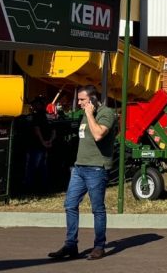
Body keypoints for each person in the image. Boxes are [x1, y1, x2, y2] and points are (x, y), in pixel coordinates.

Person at [48, 85, 117, 261]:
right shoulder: (86, 115)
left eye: (82, 100)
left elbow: (99, 134)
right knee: (70, 204)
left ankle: (99, 246)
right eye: (78, 100)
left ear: (93, 99)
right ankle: (71, 245)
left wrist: (89, 114)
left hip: (96, 168)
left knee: (97, 209)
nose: (79, 103)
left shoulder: (105, 113)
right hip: (79, 168)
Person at [22, 96, 55, 194]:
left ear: (39, 104)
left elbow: (37, 130)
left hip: (36, 145)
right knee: (43, 167)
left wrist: (43, 142)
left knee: (32, 167)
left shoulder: (36, 116)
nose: (33, 106)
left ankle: (29, 188)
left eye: (35, 104)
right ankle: (43, 187)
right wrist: (50, 141)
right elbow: (54, 131)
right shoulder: (49, 116)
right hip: (45, 145)